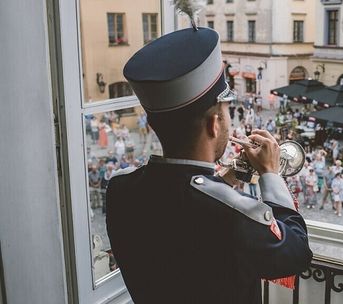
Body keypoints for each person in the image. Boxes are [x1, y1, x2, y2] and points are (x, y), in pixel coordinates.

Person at [106, 27, 312, 304]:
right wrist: (271, 174)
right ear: (214, 124)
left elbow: (179, 211)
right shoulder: (232, 214)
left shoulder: (120, 188)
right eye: (226, 112)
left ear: (153, 124)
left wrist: (222, 182)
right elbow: (297, 252)